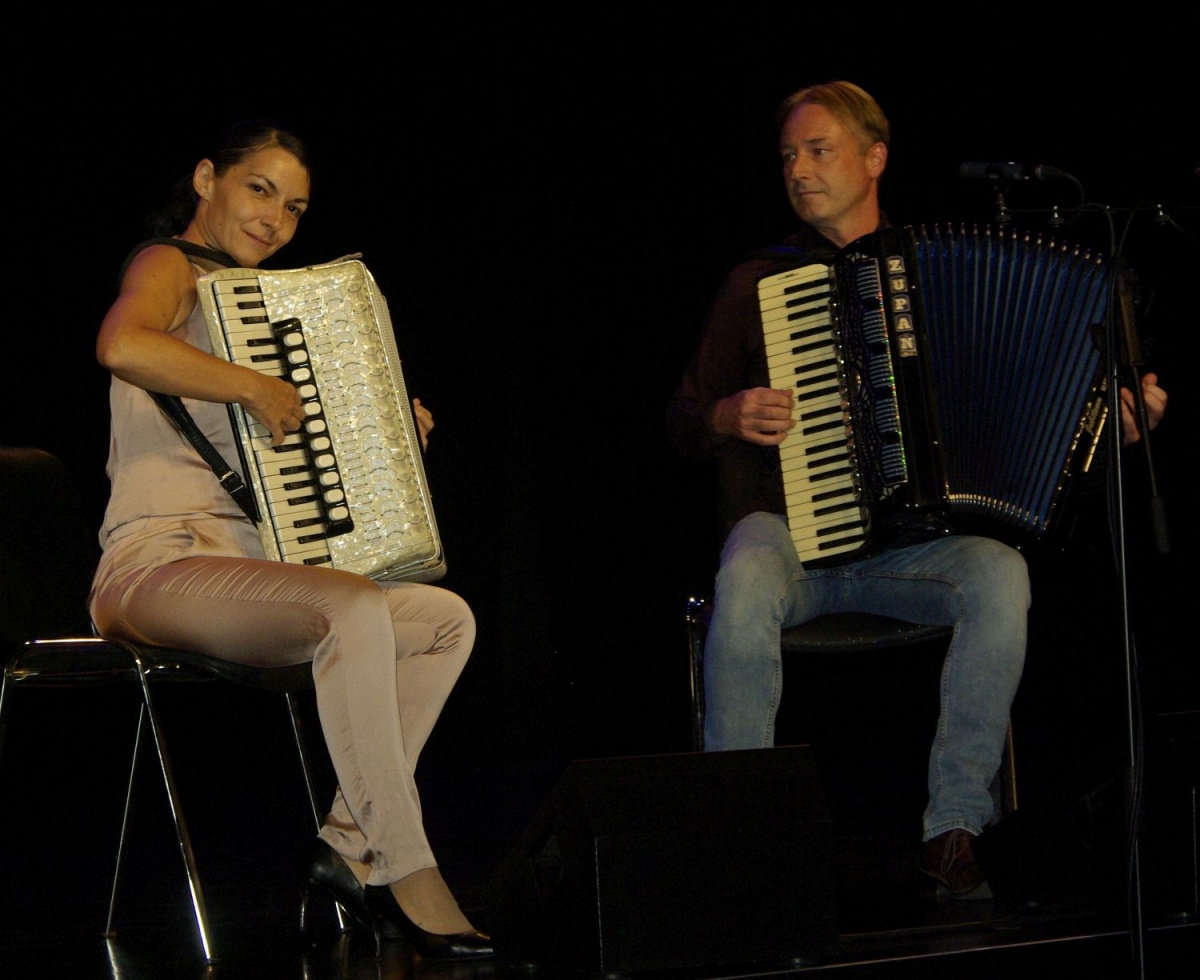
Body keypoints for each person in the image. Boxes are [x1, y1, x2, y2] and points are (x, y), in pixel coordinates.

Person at [665, 80, 1168, 899]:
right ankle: (740, 830)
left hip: (903, 551)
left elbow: (1037, 394)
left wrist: (1115, 414)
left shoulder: (939, 269)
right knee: (745, 570)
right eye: (789, 154)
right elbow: (683, 420)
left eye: (819, 149)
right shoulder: (761, 280)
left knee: (1000, 574)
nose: (798, 169)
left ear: (875, 159)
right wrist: (727, 412)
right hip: (787, 538)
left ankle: (955, 830)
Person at [88, 120, 493, 958]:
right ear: (208, 178)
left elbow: (293, 449)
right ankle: (406, 867)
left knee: (443, 620)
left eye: (296, 207)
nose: (275, 218)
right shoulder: (168, 265)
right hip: (155, 563)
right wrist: (253, 386)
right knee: (351, 609)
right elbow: (121, 344)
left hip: (246, 571)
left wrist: (386, 432)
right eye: (260, 189)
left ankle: (350, 847)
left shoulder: (267, 310)